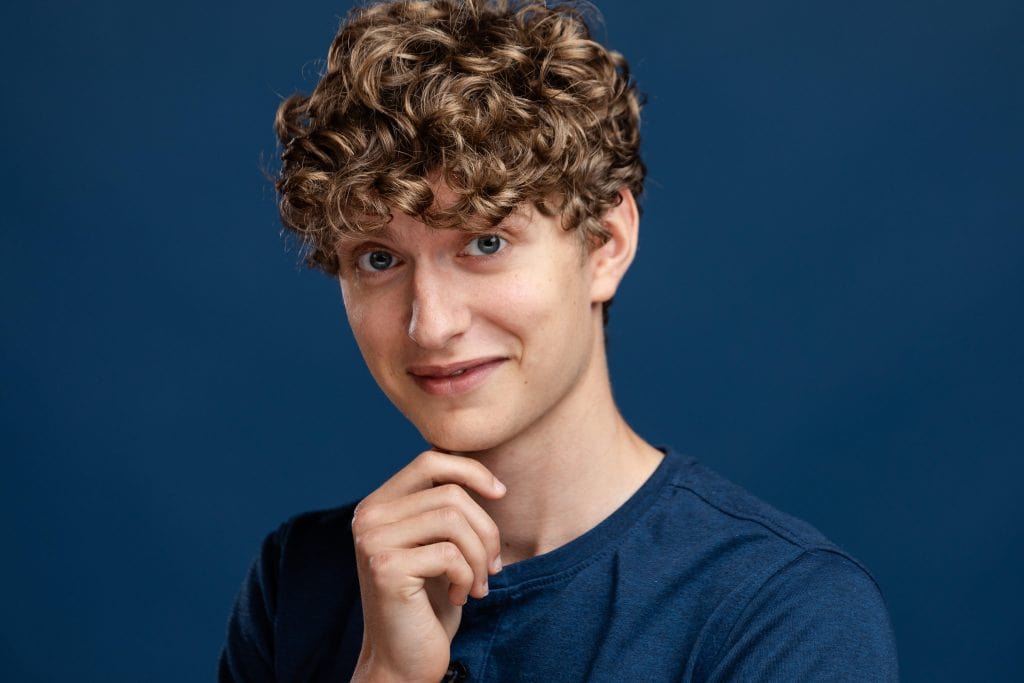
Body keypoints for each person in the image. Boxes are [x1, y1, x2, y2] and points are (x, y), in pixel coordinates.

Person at [220, 0, 899, 680]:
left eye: (485, 242)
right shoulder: (297, 584)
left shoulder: (785, 612)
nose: (430, 323)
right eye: (377, 258)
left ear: (605, 244)